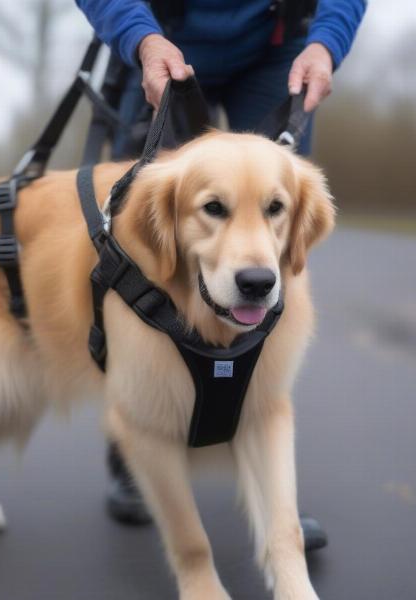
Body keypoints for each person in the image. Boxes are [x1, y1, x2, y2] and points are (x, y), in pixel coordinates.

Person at [76, 0, 366, 551]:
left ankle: (270, 490)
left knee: (268, 237)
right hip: (161, 38)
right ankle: (138, 448)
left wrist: (327, 42)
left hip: (280, 45)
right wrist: (139, 38)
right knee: (143, 254)